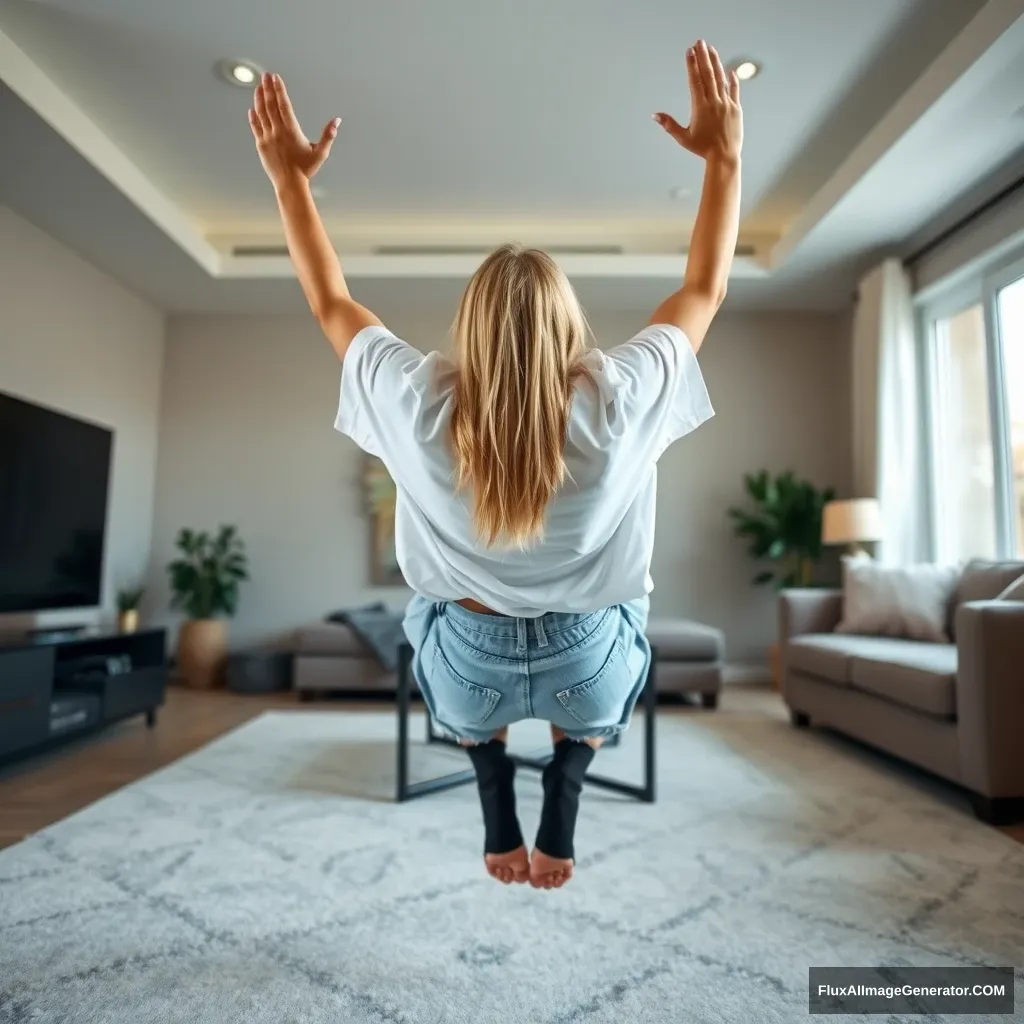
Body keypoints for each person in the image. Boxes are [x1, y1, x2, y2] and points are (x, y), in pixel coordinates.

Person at [248, 38, 742, 890]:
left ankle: (486, 771)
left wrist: (290, 178)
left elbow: (330, 298)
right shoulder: (617, 395)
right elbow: (704, 290)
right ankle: (571, 772)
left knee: (420, 618)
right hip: (587, 668)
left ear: (469, 327)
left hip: (467, 672)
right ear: (568, 328)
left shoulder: (416, 397)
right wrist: (723, 159)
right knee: (631, 624)